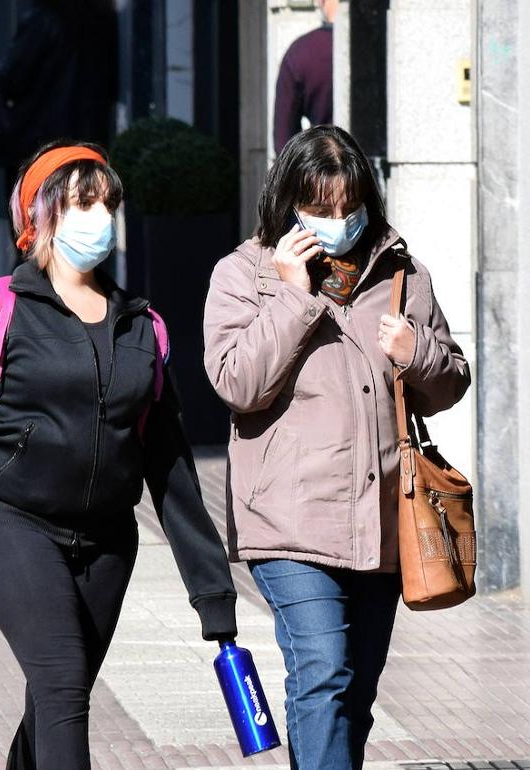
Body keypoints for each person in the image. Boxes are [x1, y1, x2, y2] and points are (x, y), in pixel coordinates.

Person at [0, 141, 238, 770]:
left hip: (107, 543)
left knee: (54, 700)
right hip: (12, 525)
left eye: (107, 204)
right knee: (64, 682)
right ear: (39, 218)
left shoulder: (141, 326)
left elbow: (169, 466)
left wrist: (213, 592)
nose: (99, 218)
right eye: (81, 203)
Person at [203, 125, 470, 770]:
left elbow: (451, 378)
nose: (337, 222)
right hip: (290, 523)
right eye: (320, 209)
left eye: (348, 207)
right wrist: (293, 296)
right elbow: (236, 382)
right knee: (321, 669)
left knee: (353, 691)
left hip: (382, 524)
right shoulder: (245, 274)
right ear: (288, 202)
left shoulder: (402, 273)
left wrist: (419, 354)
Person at [0, 0, 118, 202]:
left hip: (37, 143)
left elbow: (9, 77)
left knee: (33, 218)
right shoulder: (103, 17)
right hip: (88, 141)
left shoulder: (42, 18)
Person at [273, 0, 335, 153]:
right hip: (374, 169)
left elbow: (284, 143)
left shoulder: (301, 51)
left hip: (326, 166)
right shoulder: (382, 43)